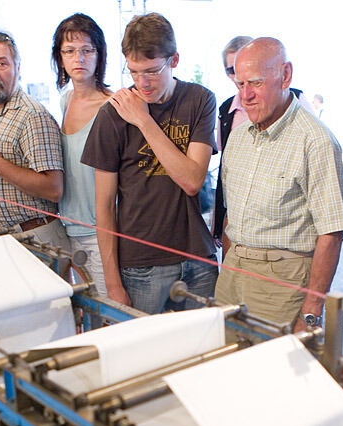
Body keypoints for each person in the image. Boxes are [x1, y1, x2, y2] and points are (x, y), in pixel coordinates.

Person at [81, 13, 217, 313]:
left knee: (203, 351)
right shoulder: (113, 114)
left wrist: (143, 120)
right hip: (141, 264)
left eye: (152, 71)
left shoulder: (199, 100)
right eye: (133, 72)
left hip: (198, 256)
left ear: (175, 60)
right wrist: (113, 282)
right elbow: (103, 206)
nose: (142, 84)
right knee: (146, 354)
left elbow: (192, 181)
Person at [214, 37, 343, 332]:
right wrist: (227, 269)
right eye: (240, 85)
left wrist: (310, 312)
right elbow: (230, 216)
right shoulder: (237, 137)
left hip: (282, 286)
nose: (245, 96)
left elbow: (331, 233)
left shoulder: (316, 141)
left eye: (256, 83)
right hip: (232, 275)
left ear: (285, 75)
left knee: (273, 373)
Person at [0, 30, 67, 247]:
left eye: (1, 64)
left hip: (33, 241)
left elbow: (53, 189)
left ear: (17, 68)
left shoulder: (31, 115)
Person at [212, 36, 314, 242]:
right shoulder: (226, 111)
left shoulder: (297, 102)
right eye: (231, 71)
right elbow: (228, 177)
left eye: (255, 80)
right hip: (240, 228)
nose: (236, 77)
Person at [51, 13, 112, 288]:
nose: (79, 59)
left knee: (111, 311)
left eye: (87, 50)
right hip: (67, 228)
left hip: (100, 231)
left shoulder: (112, 105)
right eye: (70, 51)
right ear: (60, 57)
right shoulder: (66, 100)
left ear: (99, 55)